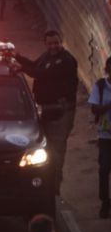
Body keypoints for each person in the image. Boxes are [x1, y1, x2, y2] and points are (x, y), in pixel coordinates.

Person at [15, 30, 78, 193]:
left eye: (56, 43)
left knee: (56, 151)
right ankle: (48, 185)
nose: (53, 46)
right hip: (47, 110)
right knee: (46, 150)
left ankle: (55, 188)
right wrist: (17, 57)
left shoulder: (66, 60)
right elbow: (35, 66)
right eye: (50, 43)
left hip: (60, 112)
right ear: (46, 44)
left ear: (61, 42)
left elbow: (42, 73)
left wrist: (21, 67)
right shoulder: (46, 57)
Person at [88, 55, 111, 218]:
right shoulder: (101, 86)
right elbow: (94, 109)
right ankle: (105, 201)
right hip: (105, 135)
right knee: (104, 169)